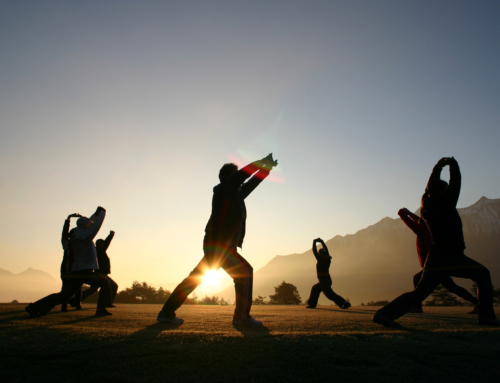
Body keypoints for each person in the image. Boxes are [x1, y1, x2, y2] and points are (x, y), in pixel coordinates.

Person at [373, 157, 499, 328]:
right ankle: (487, 317)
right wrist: (452, 165)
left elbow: (430, 186)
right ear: (442, 192)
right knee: (483, 275)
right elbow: (456, 183)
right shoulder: (446, 204)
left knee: (419, 293)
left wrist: (438, 167)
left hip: (435, 258)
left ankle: (384, 314)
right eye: (445, 189)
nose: (449, 191)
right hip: (452, 257)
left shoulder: (426, 205)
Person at [158, 153, 278, 325]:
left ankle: (166, 312)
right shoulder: (222, 190)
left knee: (195, 279)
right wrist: (261, 162)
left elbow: (252, 182)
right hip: (220, 246)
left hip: (219, 246)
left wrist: (266, 169)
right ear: (227, 178)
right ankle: (241, 318)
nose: (240, 181)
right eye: (235, 176)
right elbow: (243, 175)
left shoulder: (236, 194)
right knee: (244, 272)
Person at [25, 206, 114, 318]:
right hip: (84, 271)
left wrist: (96, 214)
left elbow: (90, 222)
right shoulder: (83, 236)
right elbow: (95, 226)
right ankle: (100, 309)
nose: (90, 225)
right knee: (105, 283)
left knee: (63, 296)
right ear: (85, 226)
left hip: (78, 271)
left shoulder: (79, 233)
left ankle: (34, 308)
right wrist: (102, 213)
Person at [398, 208, 479, 314]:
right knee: (452, 287)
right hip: (439, 263)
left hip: (433, 265)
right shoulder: (429, 229)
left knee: (419, 280)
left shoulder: (422, 231)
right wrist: (410, 213)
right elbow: (419, 220)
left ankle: (417, 307)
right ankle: (479, 303)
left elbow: (411, 223)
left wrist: (402, 214)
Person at [69, 231, 118, 306]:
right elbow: (106, 243)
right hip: (101, 273)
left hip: (99, 272)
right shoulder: (100, 250)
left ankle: (74, 300)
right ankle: (107, 303)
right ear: (100, 244)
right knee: (113, 286)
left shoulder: (95, 251)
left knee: (92, 290)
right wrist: (111, 235)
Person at [306, 238, 350, 310]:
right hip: (326, 279)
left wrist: (314, 242)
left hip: (324, 280)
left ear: (320, 253)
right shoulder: (327, 258)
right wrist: (322, 242)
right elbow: (326, 250)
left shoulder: (320, 259)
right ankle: (312, 304)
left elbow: (314, 251)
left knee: (329, 294)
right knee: (315, 289)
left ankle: (345, 303)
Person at [60, 213, 83, 312]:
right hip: (67, 268)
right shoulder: (67, 244)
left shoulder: (80, 243)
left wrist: (82, 220)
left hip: (77, 268)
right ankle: (65, 306)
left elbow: (86, 230)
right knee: (66, 288)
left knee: (78, 287)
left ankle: (77, 304)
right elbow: (64, 233)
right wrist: (68, 219)